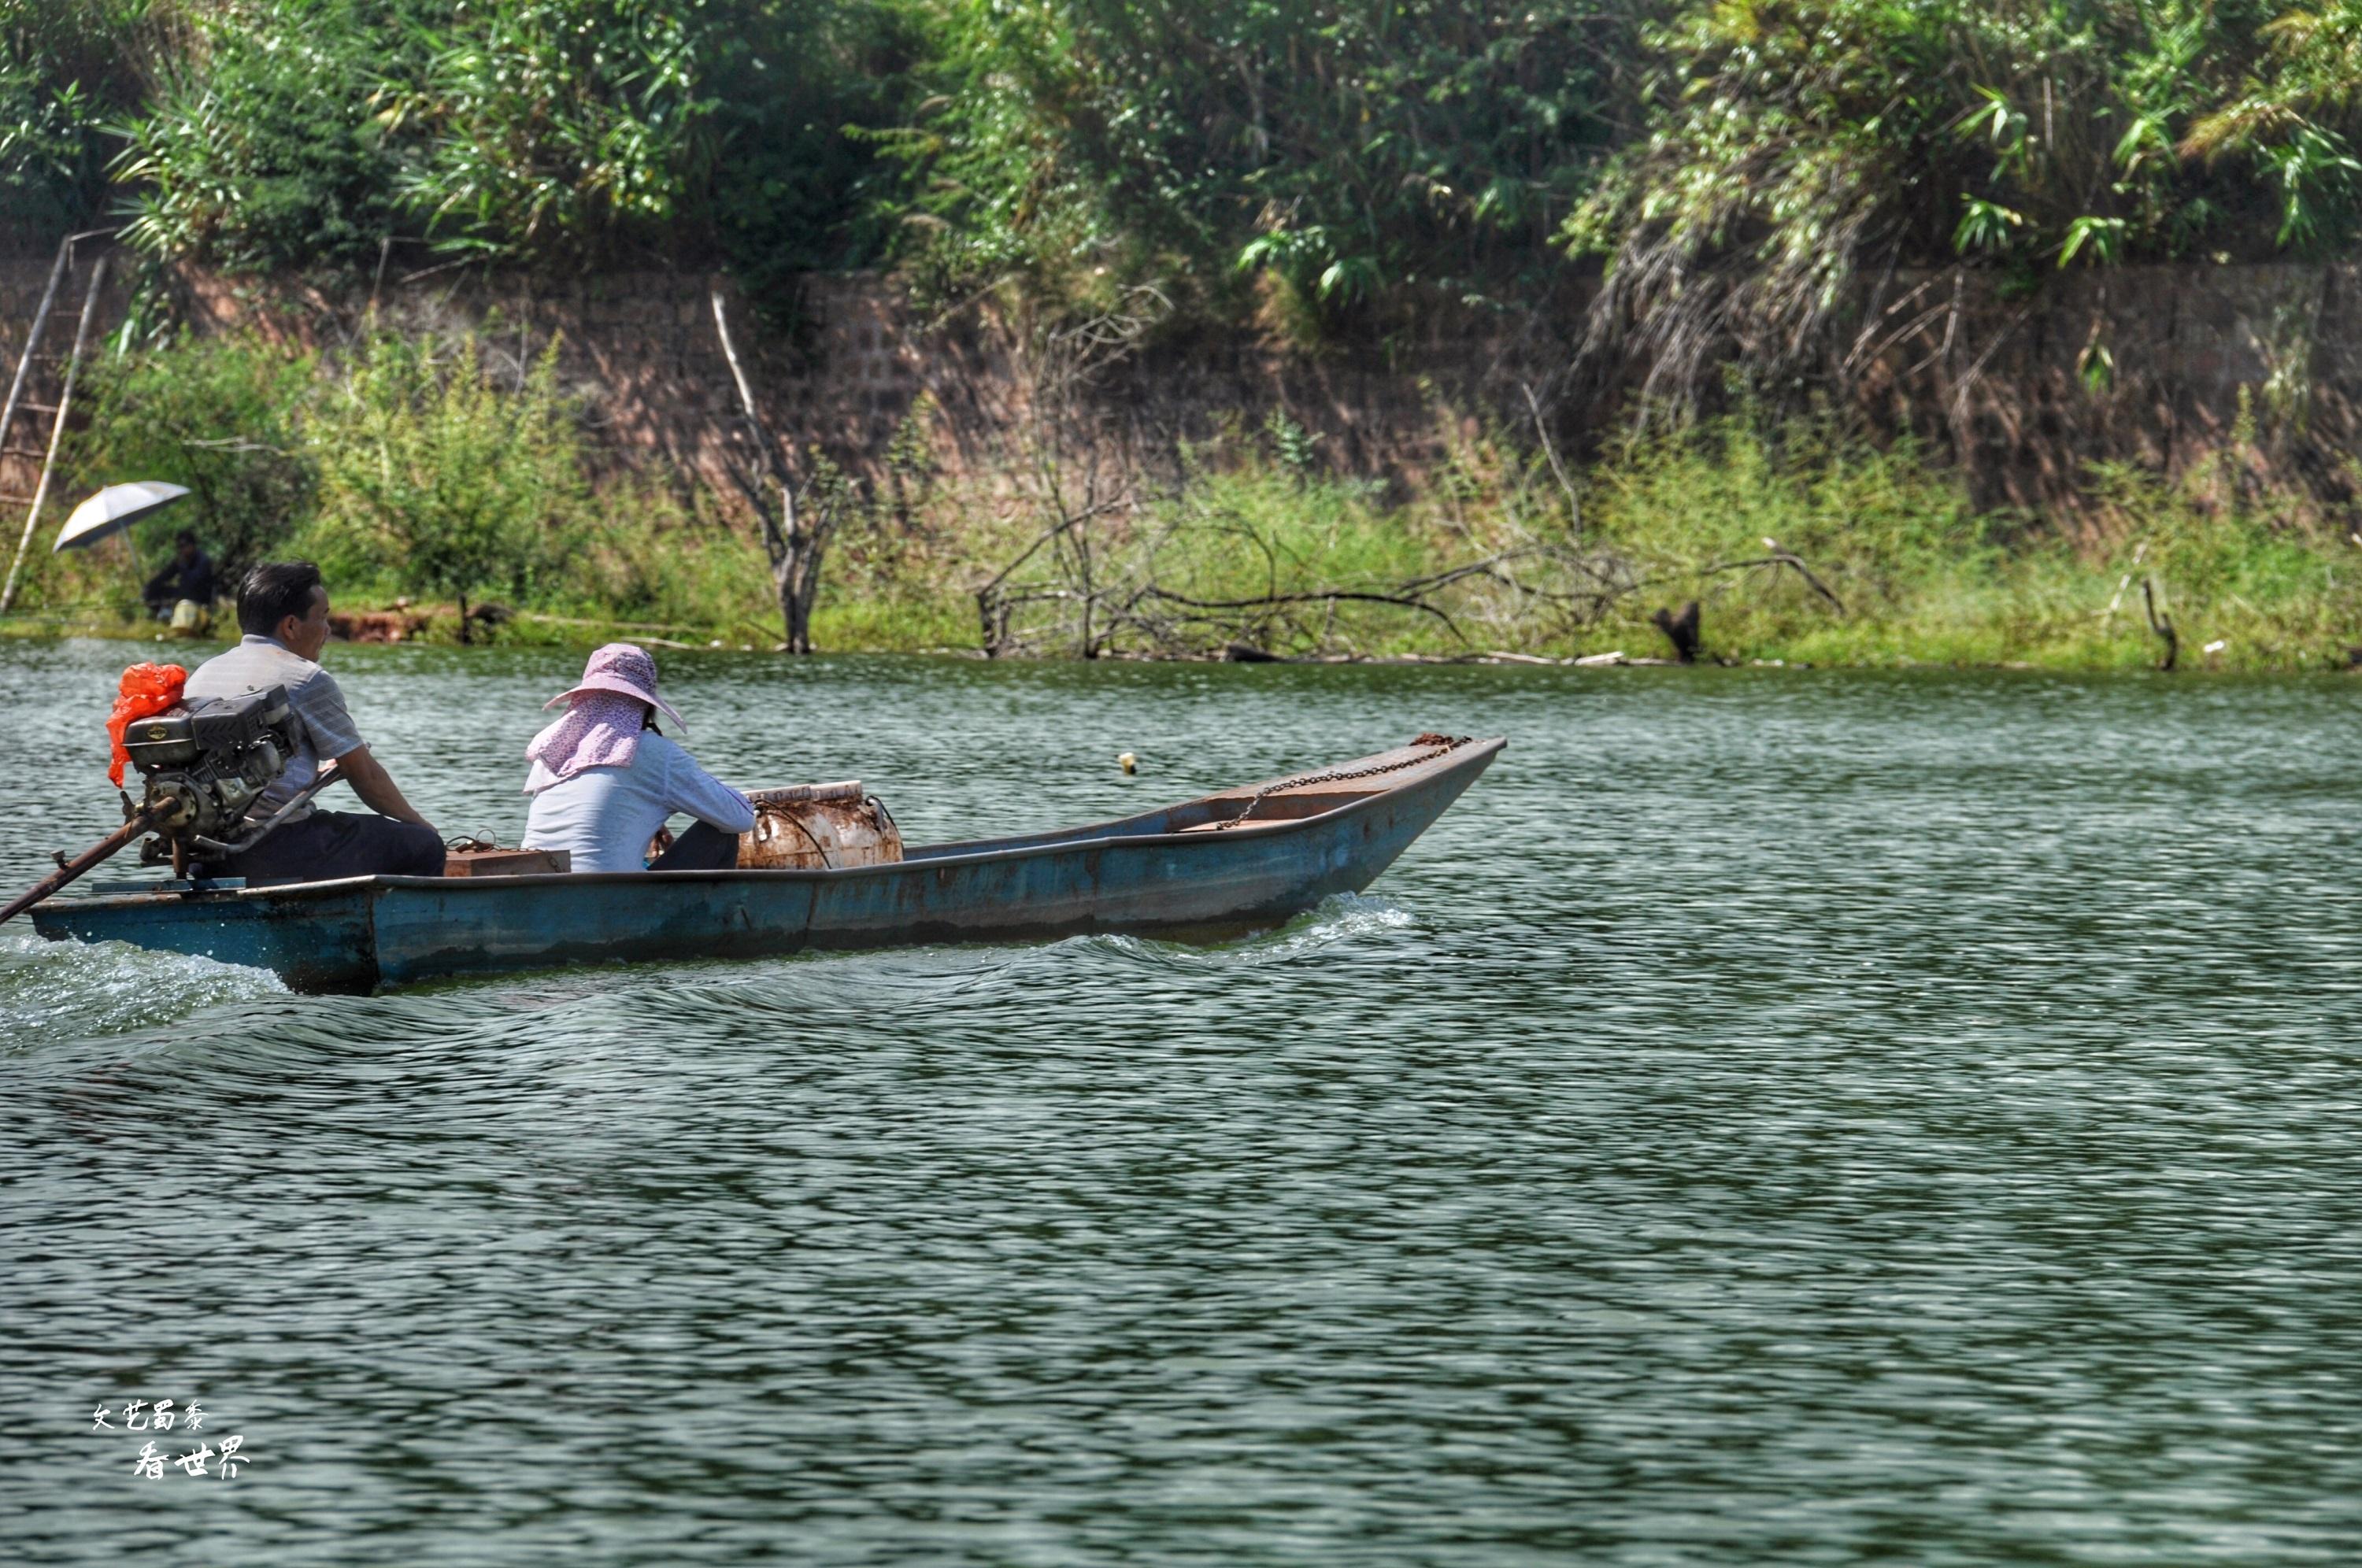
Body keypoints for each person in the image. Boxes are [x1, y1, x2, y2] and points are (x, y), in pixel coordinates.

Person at [184, 561, 446, 886]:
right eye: (322, 617)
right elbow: (366, 776)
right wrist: (422, 826)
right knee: (422, 847)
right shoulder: (304, 679)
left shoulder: (204, 674)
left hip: (206, 858)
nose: (328, 630)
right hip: (274, 849)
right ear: (291, 626)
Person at [520, 643, 754, 872]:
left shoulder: (553, 747)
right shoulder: (653, 751)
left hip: (538, 889)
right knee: (722, 831)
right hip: (612, 897)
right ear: (644, 704)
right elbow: (741, 819)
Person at [143, 531, 217, 624]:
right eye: (179, 547)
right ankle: (164, 616)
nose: (181, 549)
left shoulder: (203, 561)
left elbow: (194, 582)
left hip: (200, 597)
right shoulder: (183, 559)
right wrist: (150, 586)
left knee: (181, 593)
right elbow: (166, 575)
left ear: (192, 545)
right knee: (153, 590)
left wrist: (183, 566)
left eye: (183, 546)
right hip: (184, 593)